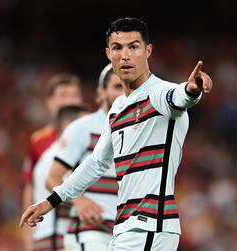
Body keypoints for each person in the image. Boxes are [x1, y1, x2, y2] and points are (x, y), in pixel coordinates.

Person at [20, 17, 213, 251]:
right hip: (126, 226)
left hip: (150, 224)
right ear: (108, 54)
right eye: (117, 48)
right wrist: (50, 202)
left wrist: (192, 89)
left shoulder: (159, 94)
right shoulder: (118, 108)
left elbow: (180, 96)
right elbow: (96, 163)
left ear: (148, 51)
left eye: (133, 47)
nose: (125, 55)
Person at [46, 64, 124, 250]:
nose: (124, 93)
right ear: (101, 92)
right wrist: (79, 201)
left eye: (128, 86)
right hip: (90, 229)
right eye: (117, 87)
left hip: (124, 231)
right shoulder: (83, 127)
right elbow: (52, 178)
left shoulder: (138, 129)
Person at [21, 73, 83, 251]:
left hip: (81, 227)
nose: (70, 101)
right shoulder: (39, 141)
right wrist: (28, 235)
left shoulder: (92, 135)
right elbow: (30, 186)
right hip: (46, 230)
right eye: (63, 96)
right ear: (49, 102)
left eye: (75, 95)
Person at [31, 105, 88, 251]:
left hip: (52, 235)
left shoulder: (53, 154)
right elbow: (52, 183)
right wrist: (83, 203)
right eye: (86, 124)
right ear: (68, 125)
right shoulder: (58, 156)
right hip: (55, 237)